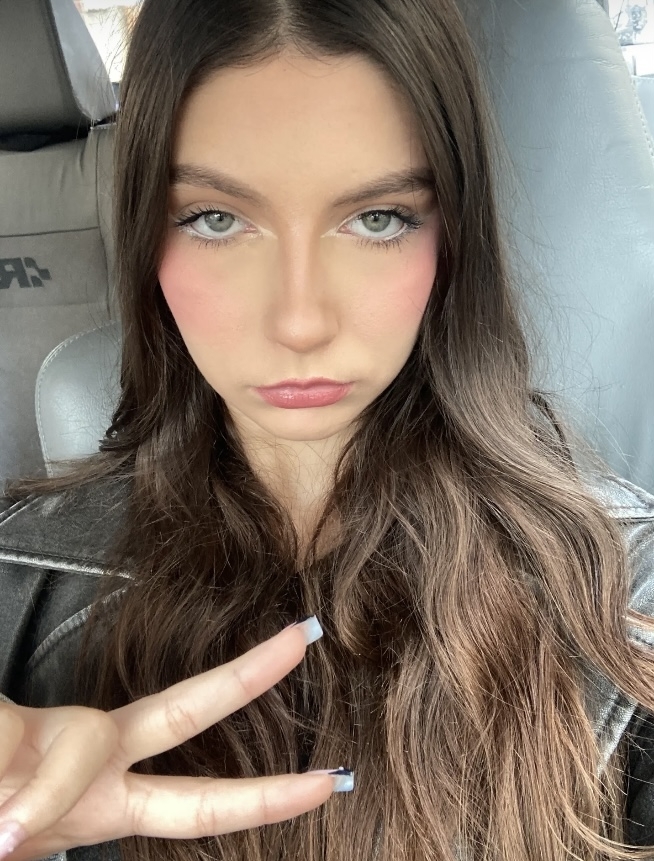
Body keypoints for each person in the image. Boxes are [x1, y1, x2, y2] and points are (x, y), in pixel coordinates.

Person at [1, 0, 654, 858]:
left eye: (378, 218)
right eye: (216, 219)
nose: (300, 320)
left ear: (452, 239)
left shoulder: (620, 591)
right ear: (147, 235)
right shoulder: (24, 586)